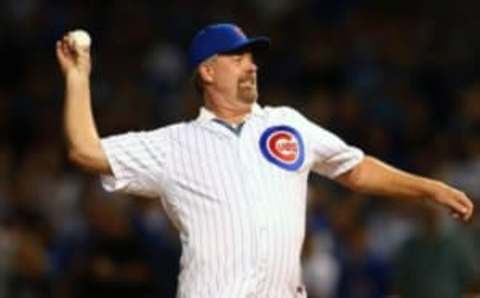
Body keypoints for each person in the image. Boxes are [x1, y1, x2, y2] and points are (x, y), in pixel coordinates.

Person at [56, 23, 474, 298]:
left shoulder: (287, 124)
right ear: (206, 72)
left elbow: (356, 168)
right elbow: (85, 151)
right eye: (236, 58)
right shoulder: (175, 144)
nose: (250, 66)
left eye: (251, 58)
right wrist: (78, 78)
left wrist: (429, 188)